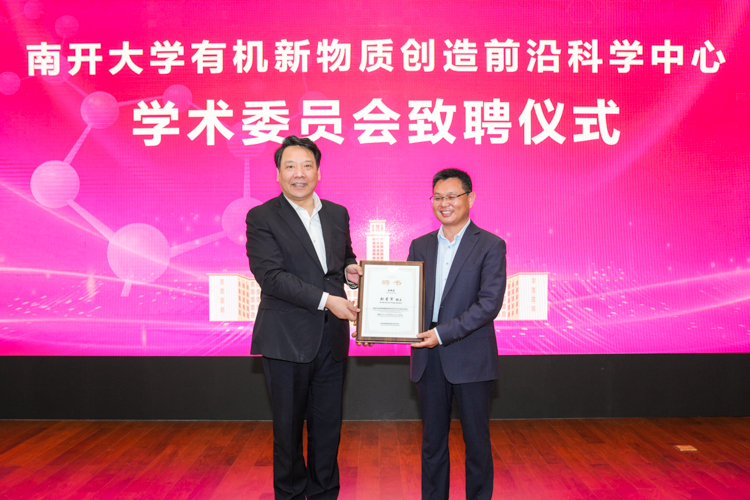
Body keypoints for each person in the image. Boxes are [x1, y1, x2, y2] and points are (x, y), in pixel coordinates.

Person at [245, 136, 362, 500]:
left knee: (328, 429)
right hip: (286, 339)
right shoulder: (262, 217)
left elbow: (343, 258)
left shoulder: (337, 213)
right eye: (290, 166)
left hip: (331, 339)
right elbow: (271, 277)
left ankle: (325, 493)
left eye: (307, 165)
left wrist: (351, 271)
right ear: (278, 174)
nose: (299, 174)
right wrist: (328, 301)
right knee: (289, 430)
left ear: (318, 172)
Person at [408, 168, 507, 500]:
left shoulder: (490, 245)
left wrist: (441, 333)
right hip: (428, 357)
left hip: (470, 356)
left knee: (476, 444)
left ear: (470, 198)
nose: (444, 203)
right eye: (438, 197)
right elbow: (409, 299)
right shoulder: (420, 245)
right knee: (432, 444)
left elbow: (488, 305)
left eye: (452, 196)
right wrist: (381, 328)